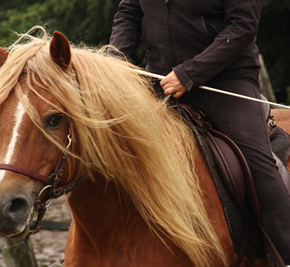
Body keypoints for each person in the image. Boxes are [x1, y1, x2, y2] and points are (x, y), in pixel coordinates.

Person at [109, 0, 290, 264]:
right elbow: (129, 11)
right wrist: (115, 59)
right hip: (160, 79)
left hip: (226, 79)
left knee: (257, 163)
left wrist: (190, 73)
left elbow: (243, 26)